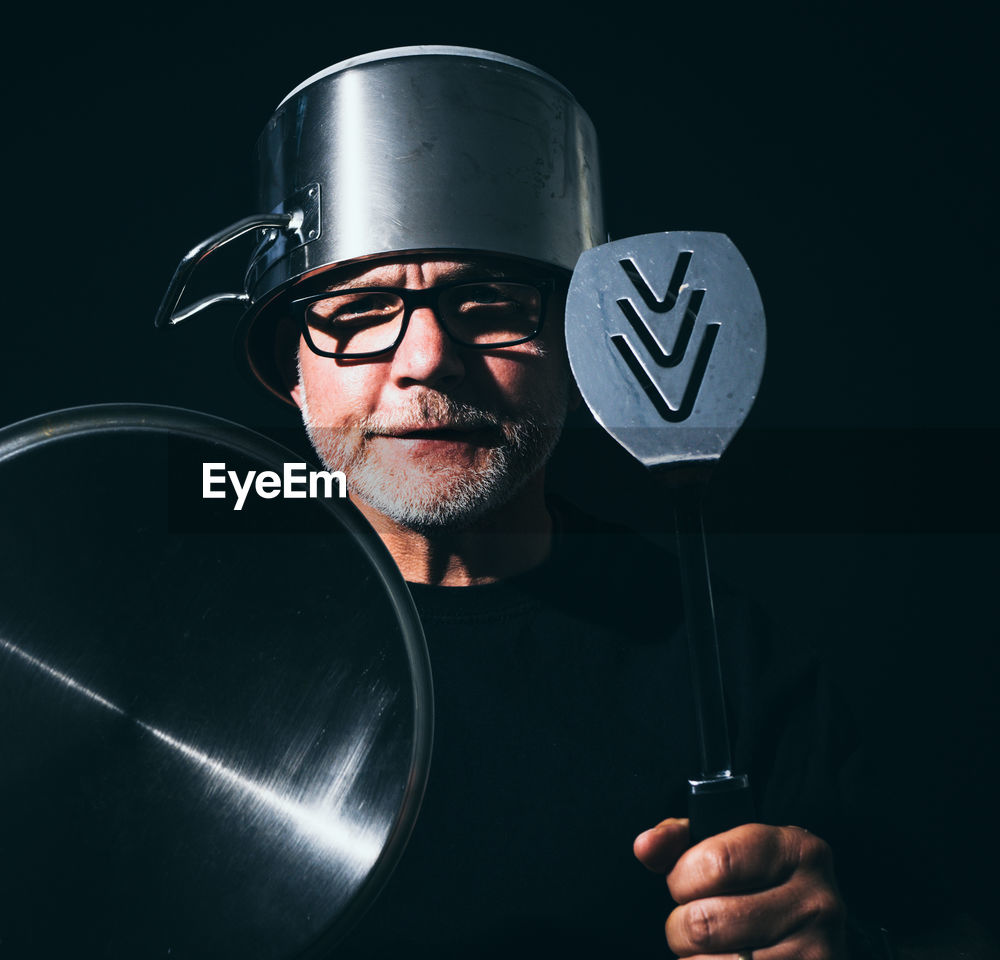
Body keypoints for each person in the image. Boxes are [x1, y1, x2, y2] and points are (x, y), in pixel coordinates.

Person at [167, 46, 882, 958]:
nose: (427, 359)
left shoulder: (736, 668)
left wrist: (853, 944)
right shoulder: (170, 657)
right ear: (291, 374)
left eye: (493, 304)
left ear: (585, 350)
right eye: (353, 315)